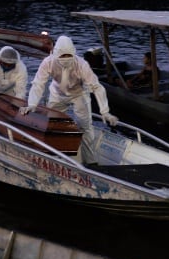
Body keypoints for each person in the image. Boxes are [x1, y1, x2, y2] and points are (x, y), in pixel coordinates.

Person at [19, 35, 119, 164]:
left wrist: (104, 111)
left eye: (68, 56)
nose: (65, 59)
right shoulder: (48, 62)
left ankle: (91, 161)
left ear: (74, 54)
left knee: (86, 127)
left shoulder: (82, 64)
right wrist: (32, 104)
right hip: (57, 94)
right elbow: (39, 83)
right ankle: (54, 154)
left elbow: (96, 87)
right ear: (55, 54)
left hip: (79, 94)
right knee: (52, 124)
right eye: (62, 56)